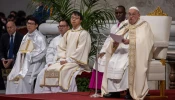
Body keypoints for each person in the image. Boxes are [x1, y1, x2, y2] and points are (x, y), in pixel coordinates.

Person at [103, 6, 154, 99]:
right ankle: (114, 91)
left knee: (127, 64)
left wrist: (130, 41)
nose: (131, 17)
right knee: (112, 62)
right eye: (129, 14)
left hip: (136, 52)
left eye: (133, 14)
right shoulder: (126, 24)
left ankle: (130, 91)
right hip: (122, 50)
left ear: (138, 15)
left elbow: (145, 40)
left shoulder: (144, 25)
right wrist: (115, 42)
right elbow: (118, 35)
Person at [36, 11, 91, 93]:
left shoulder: (84, 33)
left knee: (63, 71)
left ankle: (61, 94)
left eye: (76, 18)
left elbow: (81, 50)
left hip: (76, 62)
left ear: (81, 20)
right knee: (49, 69)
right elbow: (62, 48)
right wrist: (62, 58)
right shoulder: (68, 33)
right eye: (72, 18)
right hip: (64, 61)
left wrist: (69, 60)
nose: (74, 20)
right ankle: (49, 94)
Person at [89, 5, 126, 97]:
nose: (118, 15)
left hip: (121, 49)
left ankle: (109, 88)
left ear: (125, 13)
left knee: (106, 60)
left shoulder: (127, 25)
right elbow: (108, 40)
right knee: (100, 58)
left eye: (120, 13)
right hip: (111, 49)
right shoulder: (114, 27)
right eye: (116, 13)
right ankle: (99, 87)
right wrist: (103, 51)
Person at [6, 16, 47, 94]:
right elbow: (20, 51)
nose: (29, 25)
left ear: (36, 25)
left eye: (31, 24)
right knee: (10, 77)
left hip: (35, 64)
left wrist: (29, 55)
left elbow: (43, 52)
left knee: (23, 78)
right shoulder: (25, 36)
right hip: (22, 63)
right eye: (28, 23)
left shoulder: (40, 37)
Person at [34, 19, 70, 93]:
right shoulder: (55, 40)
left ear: (68, 27)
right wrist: (50, 62)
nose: (61, 28)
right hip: (53, 63)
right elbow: (49, 52)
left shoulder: (71, 39)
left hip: (65, 63)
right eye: (59, 26)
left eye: (63, 26)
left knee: (59, 73)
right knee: (41, 74)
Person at [0, 21, 23, 90]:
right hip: (5, 59)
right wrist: (3, 59)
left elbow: (21, 52)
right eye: (7, 28)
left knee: (16, 62)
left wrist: (12, 59)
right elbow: (1, 50)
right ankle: (2, 87)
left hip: (15, 59)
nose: (9, 29)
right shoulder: (4, 36)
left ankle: (15, 87)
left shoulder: (21, 37)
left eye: (11, 27)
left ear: (15, 27)